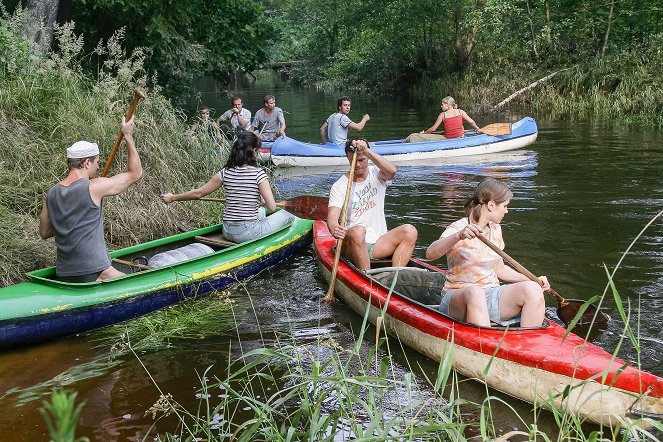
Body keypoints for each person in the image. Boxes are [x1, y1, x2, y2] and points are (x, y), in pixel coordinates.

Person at [425, 178, 547, 327]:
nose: (506, 211)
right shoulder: (459, 227)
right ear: (491, 205)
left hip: (491, 293)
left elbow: (499, 269)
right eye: (505, 206)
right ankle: (484, 344)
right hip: (459, 297)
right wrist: (458, 236)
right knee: (476, 293)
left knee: (533, 290)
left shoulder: (496, 229)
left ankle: (527, 343)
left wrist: (532, 279)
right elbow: (430, 254)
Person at [39, 116, 142, 282]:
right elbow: (135, 174)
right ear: (87, 163)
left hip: (64, 273)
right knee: (138, 282)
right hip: (97, 271)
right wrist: (128, 136)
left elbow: (44, 232)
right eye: (96, 163)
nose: (98, 167)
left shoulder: (50, 194)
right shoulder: (94, 187)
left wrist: (70, 222)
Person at [161, 131, 293, 243]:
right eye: (258, 150)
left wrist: (172, 198)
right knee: (288, 213)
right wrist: (263, 202)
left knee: (261, 212)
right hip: (246, 233)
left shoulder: (225, 172)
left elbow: (198, 193)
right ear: (253, 151)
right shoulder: (259, 174)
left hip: (227, 230)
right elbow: (272, 207)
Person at [327, 139, 418, 271]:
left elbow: (392, 171)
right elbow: (332, 217)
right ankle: (367, 278)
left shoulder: (377, 173)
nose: (357, 165)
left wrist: (367, 151)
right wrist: (334, 227)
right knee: (358, 231)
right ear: (348, 158)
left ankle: (395, 277)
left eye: (361, 160)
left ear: (368, 158)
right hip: (353, 243)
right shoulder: (339, 186)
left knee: (410, 231)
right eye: (353, 161)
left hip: (378, 244)